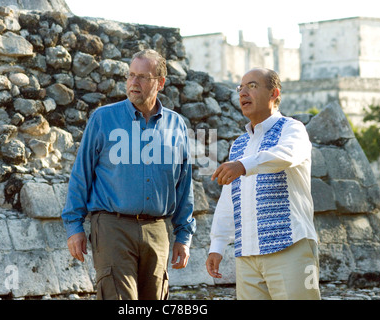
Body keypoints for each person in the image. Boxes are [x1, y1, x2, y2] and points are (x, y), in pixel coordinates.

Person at [61, 49, 195, 300]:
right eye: (131, 75)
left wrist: (183, 235)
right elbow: (81, 174)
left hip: (158, 230)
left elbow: (184, 184)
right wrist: (74, 226)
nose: (134, 83)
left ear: (160, 83)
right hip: (113, 226)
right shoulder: (103, 118)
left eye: (143, 77)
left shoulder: (176, 125)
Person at [206, 68, 321, 300]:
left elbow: (286, 155)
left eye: (252, 86)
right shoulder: (239, 145)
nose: (243, 93)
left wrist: (243, 166)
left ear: (274, 93)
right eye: (241, 87)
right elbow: (229, 199)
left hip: (290, 247)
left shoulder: (292, 129)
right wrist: (217, 245)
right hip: (246, 255)